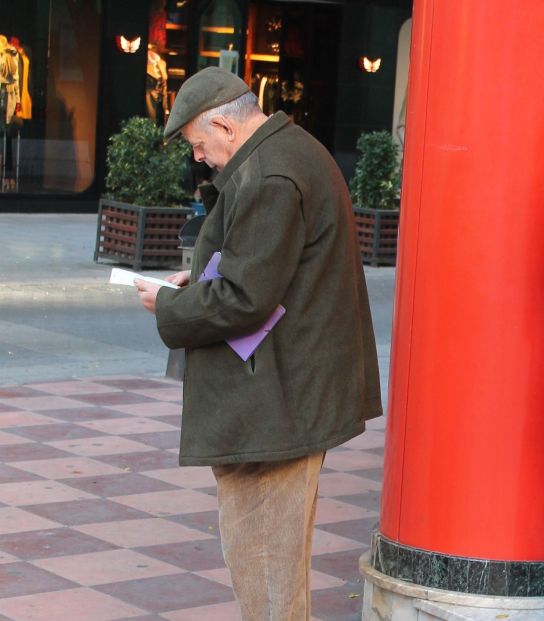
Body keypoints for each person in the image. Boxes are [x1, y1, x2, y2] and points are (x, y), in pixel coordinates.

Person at [133, 66, 382, 620]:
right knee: (270, 569)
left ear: (223, 125)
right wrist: (195, 282)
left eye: (199, 145)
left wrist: (170, 305)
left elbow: (246, 298)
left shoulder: (270, 174)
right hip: (284, 396)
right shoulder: (285, 154)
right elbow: (260, 272)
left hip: (278, 405)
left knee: (267, 573)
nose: (199, 157)